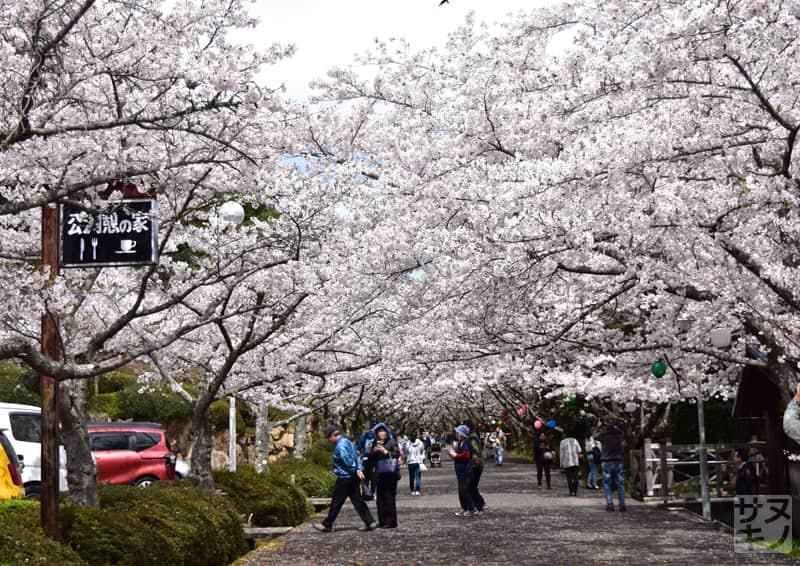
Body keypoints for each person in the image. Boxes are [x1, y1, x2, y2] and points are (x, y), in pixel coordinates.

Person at [313, 425, 377, 532]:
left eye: (329, 438)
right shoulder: (348, 442)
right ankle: (370, 521)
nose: (329, 440)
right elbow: (357, 455)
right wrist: (359, 468)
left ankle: (327, 524)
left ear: (333, 436)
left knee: (336, 501)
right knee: (357, 500)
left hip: (345, 477)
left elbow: (346, 460)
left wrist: (355, 469)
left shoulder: (340, 446)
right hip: (353, 476)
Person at [368, 423, 400, 529]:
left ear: (386, 432)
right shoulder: (375, 443)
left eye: (383, 431)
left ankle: (391, 521)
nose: (381, 433)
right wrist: (374, 451)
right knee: (380, 499)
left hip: (390, 475)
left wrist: (385, 451)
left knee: (389, 498)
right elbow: (370, 459)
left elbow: (397, 454)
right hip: (379, 475)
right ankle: (382, 520)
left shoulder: (392, 442)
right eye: (379, 432)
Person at [593, 414, 626, 512]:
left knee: (607, 483)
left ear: (605, 422)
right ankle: (622, 504)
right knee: (620, 483)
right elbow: (623, 433)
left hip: (606, 460)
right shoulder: (619, 432)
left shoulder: (603, 433)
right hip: (618, 460)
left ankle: (610, 504)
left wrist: (597, 427)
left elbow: (595, 436)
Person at [448, 424, 475, 517]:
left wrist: (456, 455)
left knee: (465, 490)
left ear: (462, 434)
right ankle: (464, 507)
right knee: (461, 490)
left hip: (465, 471)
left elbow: (467, 454)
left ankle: (471, 508)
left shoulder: (466, 442)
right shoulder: (460, 443)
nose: (456, 434)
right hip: (460, 471)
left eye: (458, 433)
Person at [464, 420, 486, 514]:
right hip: (477, 464)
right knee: (473, 486)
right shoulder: (473, 435)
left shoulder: (472, 437)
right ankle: (481, 503)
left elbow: (475, 450)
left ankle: (479, 506)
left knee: (471, 486)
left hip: (476, 465)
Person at [560, 431, 582, 496]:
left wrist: (561, 463)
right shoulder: (575, 441)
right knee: (576, 478)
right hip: (575, 462)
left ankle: (571, 491)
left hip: (567, 462)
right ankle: (575, 491)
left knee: (569, 478)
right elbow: (579, 450)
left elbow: (561, 454)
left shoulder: (562, 442)